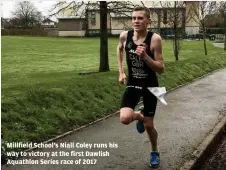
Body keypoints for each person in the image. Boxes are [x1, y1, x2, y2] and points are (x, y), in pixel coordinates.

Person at [117, 6, 165, 168]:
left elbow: (161, 68)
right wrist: (121, 72)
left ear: (148, 21)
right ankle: (139, 115)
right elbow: (119, 49)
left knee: (149, 126)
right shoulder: (125, 36)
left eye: (140, 18)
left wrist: (145, 57)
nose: (136, 21)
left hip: (151, 86)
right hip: (133, 84)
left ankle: (154, 151)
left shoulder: (155, 39)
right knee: (124, 118)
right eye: (134, 18)